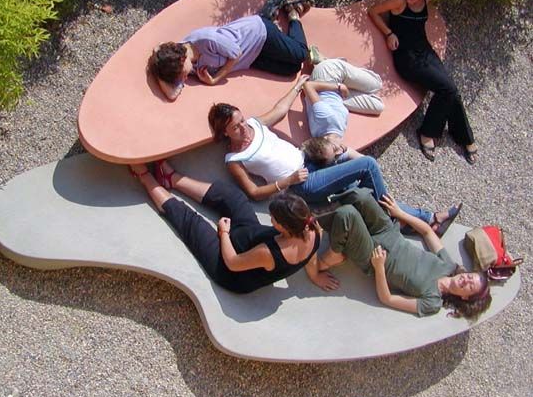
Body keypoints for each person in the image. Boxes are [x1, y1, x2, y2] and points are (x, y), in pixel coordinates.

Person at [207, 78, 458, 234]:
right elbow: (252, 192)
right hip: (302, 184)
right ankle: (408, 218)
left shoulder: (253, 124)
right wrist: (287, 181)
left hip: (309, 160)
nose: (242, 127)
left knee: (363, 191)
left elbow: (280, 110)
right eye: (235, 127)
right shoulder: (234, 159)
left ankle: (424, 221)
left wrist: (297, 86)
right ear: (225, 132)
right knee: (367, 165)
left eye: (241, 120)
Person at [129, 161, 339, 293]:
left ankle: (144, 177)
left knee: (191, 221)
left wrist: (224, 233)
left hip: (231, 270)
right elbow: (311, 254)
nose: (270, 218)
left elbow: (232, 263)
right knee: (233, 197)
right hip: (249, 236)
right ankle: (172, 179)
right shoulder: (312, 228)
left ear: (283, 227)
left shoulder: (270, 253)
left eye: (273, 218)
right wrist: (314, 275)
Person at [319, 188, 492, 318]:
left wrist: (379, 268)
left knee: (348, 214)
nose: (466, 279)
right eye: (471, 276)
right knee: (361, 196)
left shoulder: (432, 303)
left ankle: (332, 252)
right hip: (388, 232)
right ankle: (320, 206)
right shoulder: (448, 265)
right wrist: (400, 213)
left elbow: (387, 299)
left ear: (465, 298)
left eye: (470, 285)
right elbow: (427, 232)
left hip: (373, 256)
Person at [368, 0, 478, 164]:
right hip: (407, 58)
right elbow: (373, 12)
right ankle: (428, 133)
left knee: (451, 89)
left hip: (425, 51)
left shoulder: (426, 1)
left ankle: (461, 136)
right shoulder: (399, 1)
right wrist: (388, 33)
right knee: (447, 89)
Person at [148, 0, 314, 101]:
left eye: (181, 74)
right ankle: (270, 16)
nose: (182, 79)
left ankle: (293, 13)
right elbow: (172, 95)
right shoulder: (184, 65)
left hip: (257, 35)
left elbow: (236, 54)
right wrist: (158, 72)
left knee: (301, 54)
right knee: (291, 69)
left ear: (181, 59)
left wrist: (215, 79)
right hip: (251, 58)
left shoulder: (205, 40)